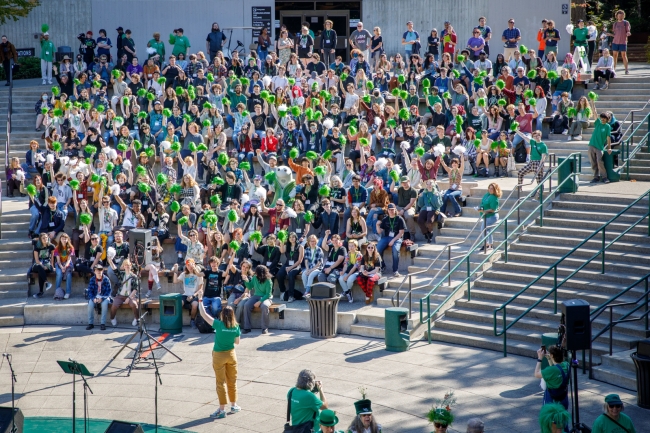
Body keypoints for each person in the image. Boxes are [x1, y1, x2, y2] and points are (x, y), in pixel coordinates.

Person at [197, 302, 241, 419]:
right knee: (232, 381)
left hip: (218, 356)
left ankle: (222, 410)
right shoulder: (236, 326)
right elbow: (237, 342)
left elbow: (203, 313)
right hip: (231, 355)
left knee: (220, 383)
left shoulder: (218, 325)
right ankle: (234, 405)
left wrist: (201, 300)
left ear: (222, 315)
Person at [534, 345, 570, 410]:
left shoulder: (550, 370)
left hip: (552, 400)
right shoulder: (567, 365)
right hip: (563, 399)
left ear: (552, 355)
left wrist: (540, 358)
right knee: (562, 418)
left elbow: (536, 374)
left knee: (551, 419)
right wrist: (549, 358)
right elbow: (556, 368)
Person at [515, 129, 548, 198]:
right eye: (535, 136)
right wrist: (516, 131)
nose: (536, 137)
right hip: (531, 162)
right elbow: (524, 136)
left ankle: (540, 194)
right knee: (520, 172)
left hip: (538, 162)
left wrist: (539, 166)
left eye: (537, 136)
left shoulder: (543, 145)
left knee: (539, 179)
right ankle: (519, 186)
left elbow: (543, 157)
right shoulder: (533, 142)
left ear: (540, 136)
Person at [172, 258, 203, 329]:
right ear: (186, 266)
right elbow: (175, 281)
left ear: (194, 265)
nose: (190, 267)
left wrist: (193, 296)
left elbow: (200, 289)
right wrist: (175, 270)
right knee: (179, 303)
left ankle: (192, 320)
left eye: (191, 265)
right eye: (188, 265)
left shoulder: (199, 275)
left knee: (195, 305)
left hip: (194, 295)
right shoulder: (184, 274)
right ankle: (177, 320)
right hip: (185, 294)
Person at [108, 258, 139, 327]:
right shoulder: (121, 274)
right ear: (123, 266)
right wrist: (110, 262)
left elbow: (135, 289)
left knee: (134, 304)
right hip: (120, 295)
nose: (127, 267)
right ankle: (112, 318)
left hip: (130, 295)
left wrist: (129, 298)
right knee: (114, 305)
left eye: (128, 265)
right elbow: (115, 269)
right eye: (125, 265)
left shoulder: (134, 276)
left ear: (131, 266)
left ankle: (136, 318)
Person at [241, 264, 273, 334]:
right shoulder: (255, 277)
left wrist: (260, 301)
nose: (256, 274)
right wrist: (246, 280)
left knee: (264, 306)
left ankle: (265, 328)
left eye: (257, 273)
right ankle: (247, 327)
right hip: (256, 296)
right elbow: (250, 287)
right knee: (246, 305)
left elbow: (268, 294)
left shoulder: (268, 280)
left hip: (266, 298)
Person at [376, 203, 405, 278]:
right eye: (390, 210)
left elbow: (401, 233)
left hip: (397, 238)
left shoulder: (399, 219)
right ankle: (382, 266)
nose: (391, 211)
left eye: (392, 209)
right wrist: (377, 225)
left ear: (395, 210)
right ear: (387, 210)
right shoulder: (385, 219)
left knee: (395, 250)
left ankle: (395, 270)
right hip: (387, 237)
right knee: (377, 249)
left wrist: (393, 240)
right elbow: (379, 231)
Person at [588, 113, 612, 184]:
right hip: (592, 145)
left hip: (600, 147)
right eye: (601, 118)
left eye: (604, 118)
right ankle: (596, 177)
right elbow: (594, 113)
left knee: (599, 161)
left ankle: (604, 177)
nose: (602, 119)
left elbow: (608, 138)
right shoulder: (598, 123)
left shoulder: (607, 126)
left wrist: (609, 148)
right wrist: (592, 103)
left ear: (607, 119)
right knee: (593, 162)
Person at [86, 264, 112, 331]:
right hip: (95, 296)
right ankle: (90, 323)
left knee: (104, 304)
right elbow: (90, 291)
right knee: (90, 305)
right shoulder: (92, 279)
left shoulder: (106, 279)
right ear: (94, 271)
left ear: (102, 271)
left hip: (104, 296)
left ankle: (102, 323)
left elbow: (108, 291)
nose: (99, 272)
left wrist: (102, 298)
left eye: (100, 270)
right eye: (97, 270)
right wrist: (93, 298)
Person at [608, 10, 631, 74]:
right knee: (615, 55)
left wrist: (628, 33)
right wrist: (610, 35)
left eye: (621, 15)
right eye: (619, 15)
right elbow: (615, 34)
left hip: (623, 42)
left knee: (624, 55)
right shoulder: (615, 24)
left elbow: (628, 30)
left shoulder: (626, 23)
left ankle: (626, 70)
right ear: (617, 16)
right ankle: (613, 69)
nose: (620, 17)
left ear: (623, 16)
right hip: (615, 42)